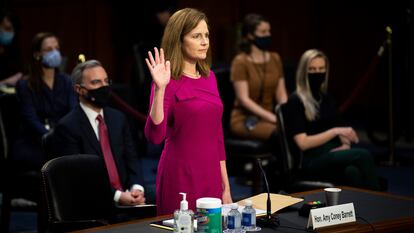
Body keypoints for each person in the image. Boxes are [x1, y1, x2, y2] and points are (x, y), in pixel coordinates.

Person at [144, 8, 233, 215]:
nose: (205, 42)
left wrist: (225, 186)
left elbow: (217, 136)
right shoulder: (167, 80)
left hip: (211, 174)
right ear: (179, 40)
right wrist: (160, 89)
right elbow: (155, 136)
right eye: (196, 36)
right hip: (180, 175)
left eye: (206, 35)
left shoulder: (209, 77)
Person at [52, 59, 147, 206]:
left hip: (128, 194)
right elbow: (78, 176)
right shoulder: (67, 127)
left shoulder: (118, 118)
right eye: (96, 82)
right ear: (79, 89)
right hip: (93, 201)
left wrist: (137, 188)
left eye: (106, 81)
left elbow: (132, 159)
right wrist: (117, 196)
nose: (104, 87)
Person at [283, 49, 381, 190]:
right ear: (304, 72)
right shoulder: (295, 101)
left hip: (332, 152)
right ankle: (377, 199)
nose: (318, 73)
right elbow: (303, 143)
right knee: (363, 155)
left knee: (352, 172)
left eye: (321, 69)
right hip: (311, 159)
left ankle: (363, 206)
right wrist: (334, 132)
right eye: (312, 69)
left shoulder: (326, 98)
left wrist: (345, 145)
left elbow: (341, 127)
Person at [13, 32, 76, 170]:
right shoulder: (25, 85)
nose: (55, 52)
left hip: (62, 138)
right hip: (34, 141)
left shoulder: (66, 81)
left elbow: (72, 113)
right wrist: (52, 137)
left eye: (57, 48)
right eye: (49, 50)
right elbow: (30, 119)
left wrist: (63, 136)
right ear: (37, 54)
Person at [230, 13, 288, 141]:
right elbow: (244, 99)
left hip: (271, 117)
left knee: (295, 129)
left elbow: (282, 95)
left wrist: (285, 116)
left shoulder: (275, 58)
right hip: (245, 119)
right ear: (250, 35)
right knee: (281, 134)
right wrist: (273, 118)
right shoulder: (240, 61)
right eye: (263, 32)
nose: (268, 35)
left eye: (269, 31)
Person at [0, 9, 23, 86]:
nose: (11, 33)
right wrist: (4, 83)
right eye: (7, 29)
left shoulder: (13, 49)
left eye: (13, 30)